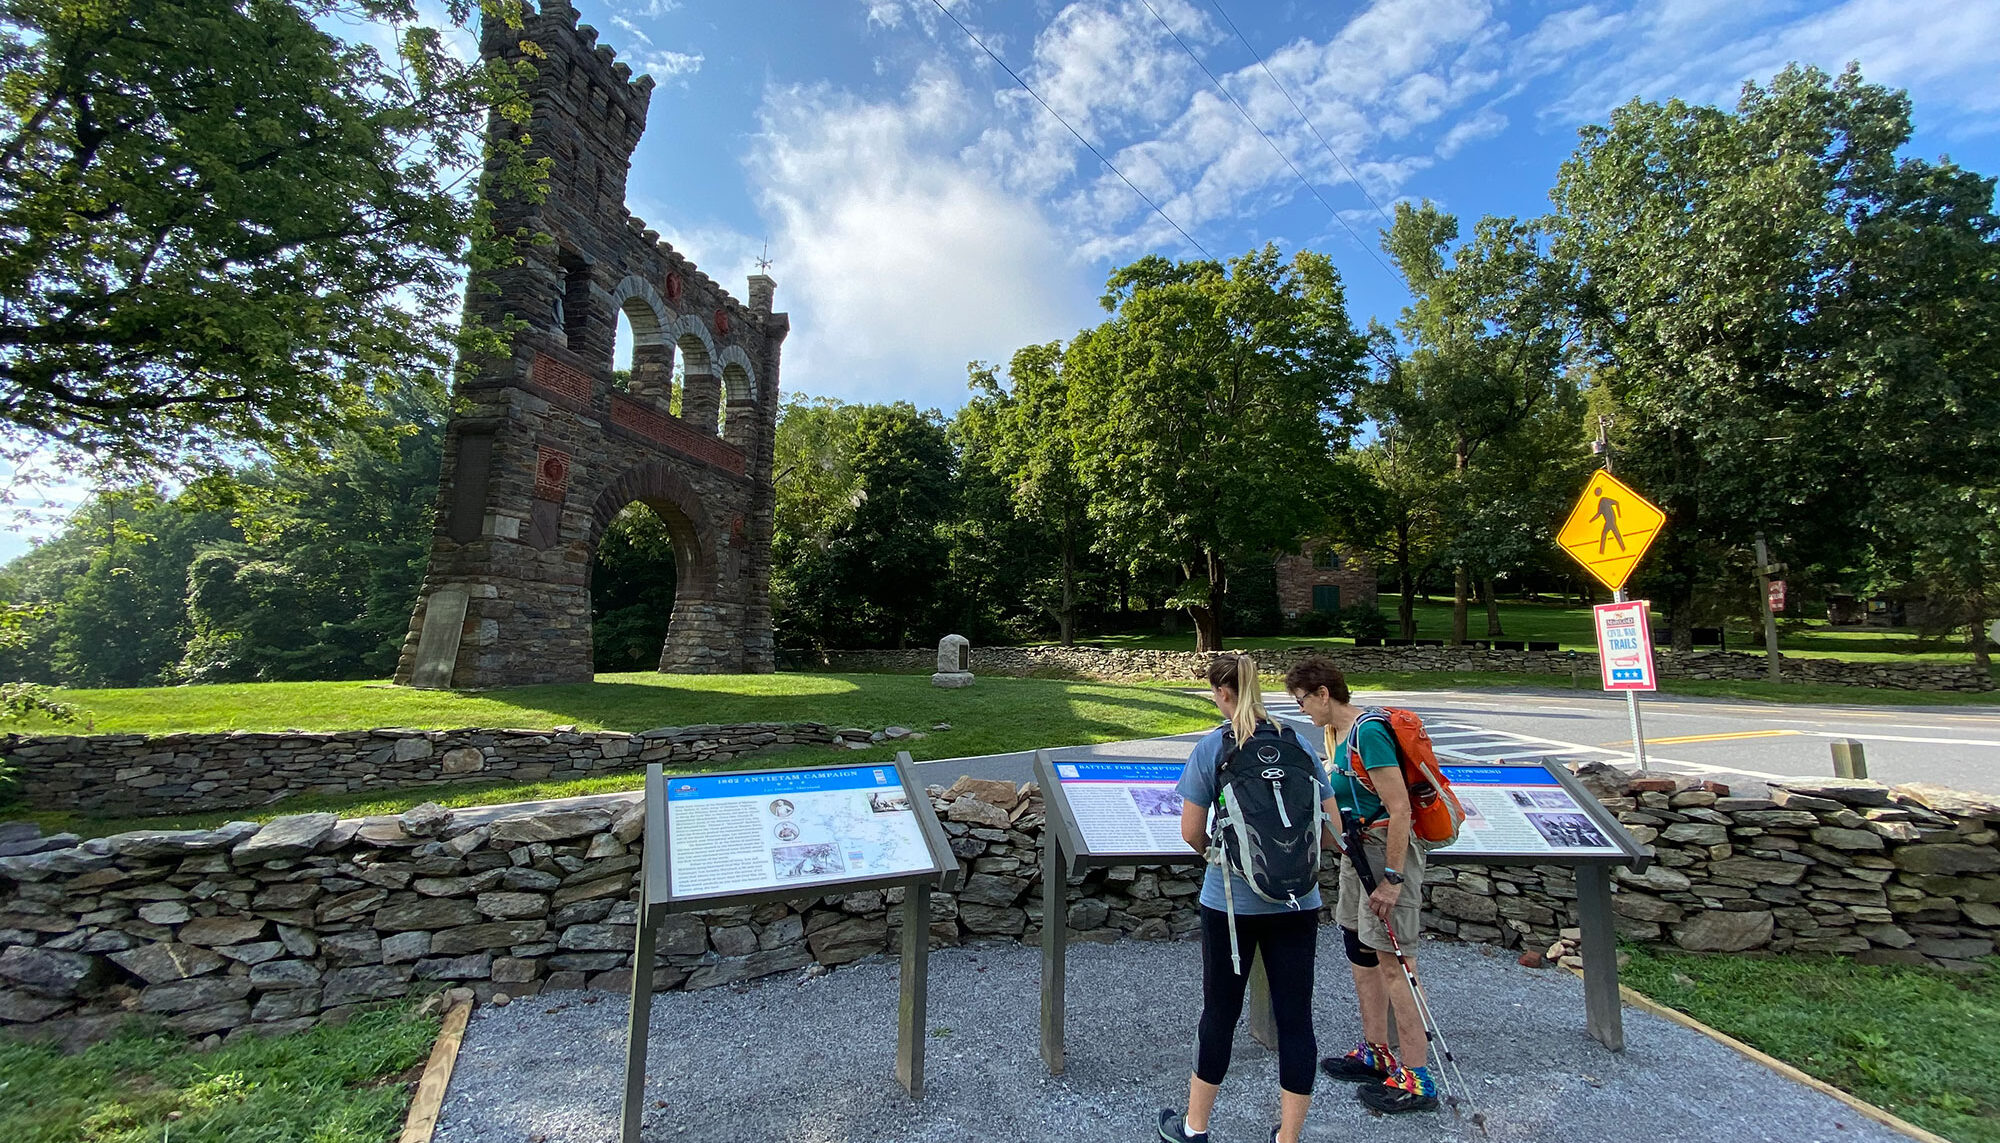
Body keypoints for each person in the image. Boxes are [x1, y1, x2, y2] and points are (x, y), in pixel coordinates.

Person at [1159, 654, 1341, 1143]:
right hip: (1298, 902)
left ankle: (1195, 1127)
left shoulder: (1214, 747)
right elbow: (1333, 832)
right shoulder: (1297, 743)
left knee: (1220, 1011)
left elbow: (1190, 830)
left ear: (1222, 694)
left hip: (1231, 903)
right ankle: (1288, 1137)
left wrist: (1219, 857)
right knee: (1295, 1016)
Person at [1284, 654, 1438, 1114]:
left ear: (1323, 693)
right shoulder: (1339, 736)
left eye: (1303, 701)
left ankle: (1417, 1076)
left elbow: (1400, 809)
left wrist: (1392, 880)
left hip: (1384, 856)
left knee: (1395, 963)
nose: (1303, 711)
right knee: (1360, 950)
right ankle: (1377, 1051)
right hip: (1357, 854)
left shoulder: (1369, 732)